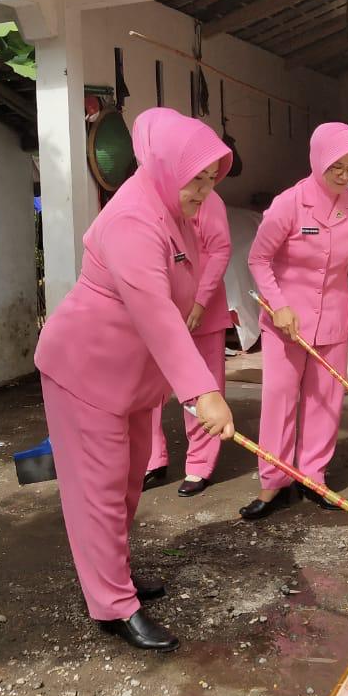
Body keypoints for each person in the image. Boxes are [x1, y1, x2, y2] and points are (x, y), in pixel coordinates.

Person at [34, 107, 235, 652]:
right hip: (86, 369)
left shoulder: (175, 208)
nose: (204, 192)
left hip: (131, 377)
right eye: (198, 180)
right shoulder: (133, 219)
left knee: (125, 484)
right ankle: (113, 605)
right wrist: (204, 393)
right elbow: (155, 312)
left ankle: (113, 574)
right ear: (169, 168)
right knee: (97, 491)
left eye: (211, 180)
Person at [242, 123, 348, 520]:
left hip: (334, 319)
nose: (344, 175)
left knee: (326, 401)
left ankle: (313, 475)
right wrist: (278, 304)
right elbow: (258, 259)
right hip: (286, 322)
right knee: (280, 402)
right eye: (336, 166)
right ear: (318, 159)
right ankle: (273, 483)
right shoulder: (290, 202)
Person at [141, 155, 232, 498]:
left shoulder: (209, 199)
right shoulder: (149, 199)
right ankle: (152, 458)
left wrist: (200, 301)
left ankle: (200, 464)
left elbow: (221, 250)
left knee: (203, 387)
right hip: (161, 306)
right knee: (149, 388)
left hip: (201, 308)